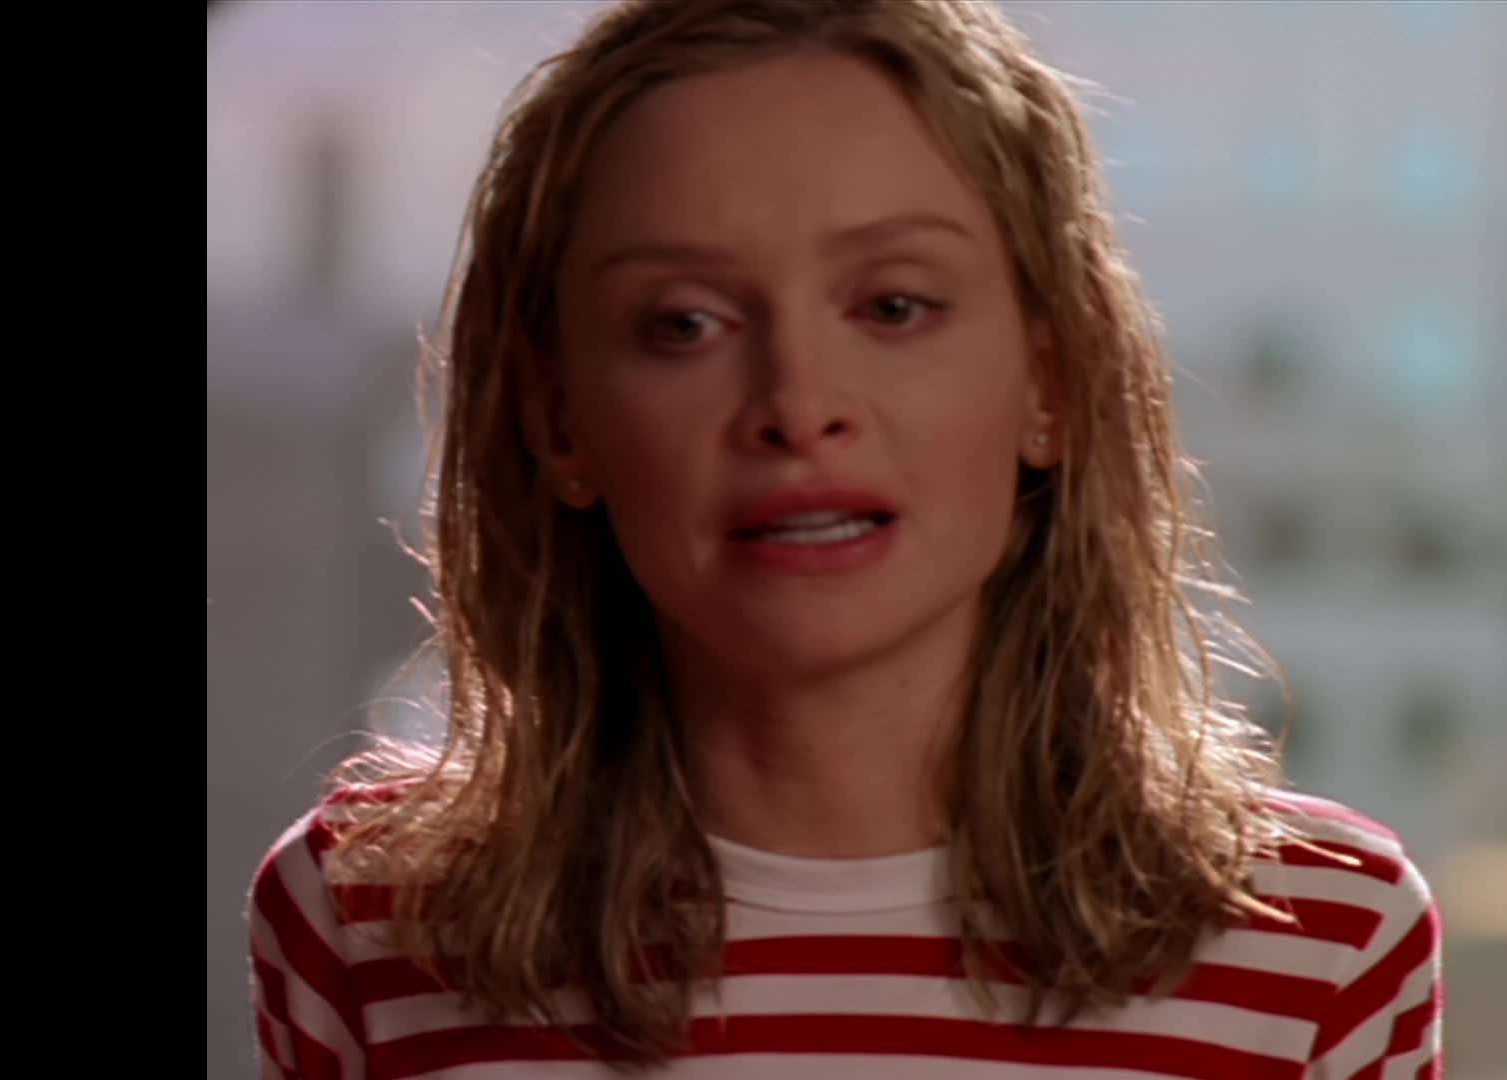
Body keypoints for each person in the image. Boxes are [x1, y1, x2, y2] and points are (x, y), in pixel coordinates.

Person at [246, 1, 1443, 1076]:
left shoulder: (1326, 946)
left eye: (893, 306)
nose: (798, 403)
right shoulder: (362, 924)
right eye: (685, 323)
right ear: (559, 421)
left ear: (1051, 381)